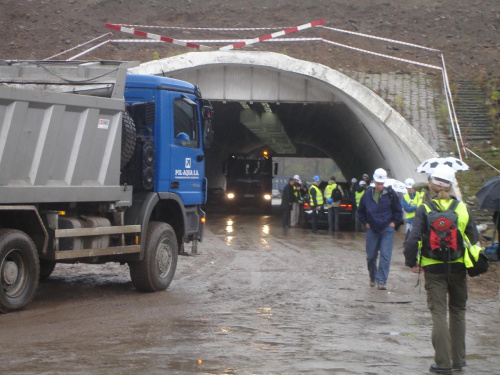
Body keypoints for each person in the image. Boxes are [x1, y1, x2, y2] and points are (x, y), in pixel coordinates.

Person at [404, 164, 479, 374]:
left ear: (432, 185)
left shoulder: (425, 209)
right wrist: (473, 265)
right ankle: (458, 360)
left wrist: (412, 262)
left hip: (433, 269)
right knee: (458, 312)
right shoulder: (462, 208)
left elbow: (412, 241)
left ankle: (443, 363)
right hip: (458, 267)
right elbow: (474, 240)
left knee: (439, 314)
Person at [357, 168, 403, 290]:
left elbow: (398, 210)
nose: (379, 186)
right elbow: (360, 211)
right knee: (371, 256)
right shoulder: (367, 194)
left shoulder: (391, 194)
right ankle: (372, 276)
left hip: (387, 229)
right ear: (373, 181)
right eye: (378, 183)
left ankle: (381, 280)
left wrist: (394, 223)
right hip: (372, 228)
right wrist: (365, 222)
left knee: (385, 255)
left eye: (382, 183)